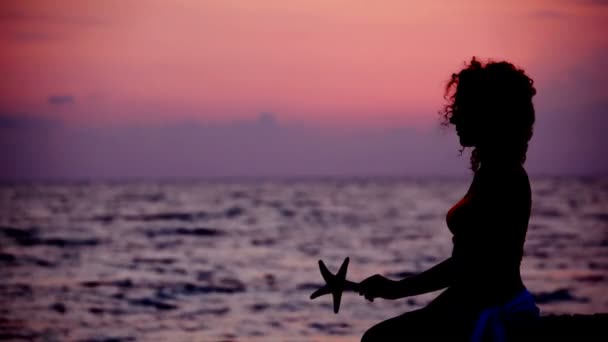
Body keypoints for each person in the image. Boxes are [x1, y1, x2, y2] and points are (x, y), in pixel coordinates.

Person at [358, 57, 539, 342]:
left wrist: (396, 289)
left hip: (494, 311)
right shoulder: (492, 171)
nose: (453, 117)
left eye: (462, 108)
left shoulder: (503, 176)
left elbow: (470, 266)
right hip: (476, 305)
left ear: (488, 112)